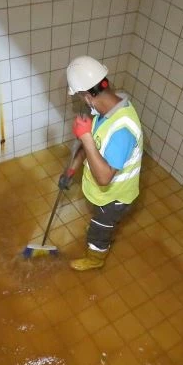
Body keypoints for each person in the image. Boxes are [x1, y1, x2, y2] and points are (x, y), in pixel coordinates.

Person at [59, 55, 144, 271]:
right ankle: (103, 227)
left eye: (80, 97)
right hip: (104, 196)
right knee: (101, 223)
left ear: (88, 96)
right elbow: (93, 148)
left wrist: (85, 136)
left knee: (98, 232)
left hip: (115, 198)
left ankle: (95, 258)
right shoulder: (106, 111)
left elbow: (104, 177)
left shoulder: (122, 130)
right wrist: (71, 170)